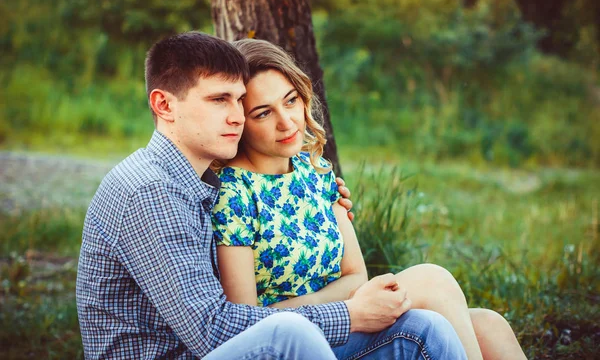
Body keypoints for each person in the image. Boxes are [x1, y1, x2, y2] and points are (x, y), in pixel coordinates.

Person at [76, 31, 468, 359]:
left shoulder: (194, 181)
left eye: (237, 101)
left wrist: (314, 205)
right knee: (289, 336)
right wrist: (349, 315)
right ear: (164, 105)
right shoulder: (151, 192)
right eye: (218, 100)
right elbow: (212, 329)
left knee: (424, 328)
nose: (235, 116)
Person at [211, 38, 527, 360]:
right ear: (240, 123)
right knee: (433, 282)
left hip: (349, 317)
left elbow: (356, 275)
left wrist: (357, 306)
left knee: (489, 325)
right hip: (298, 343)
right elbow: (246, 321)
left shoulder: (314, 170)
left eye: (290, 101)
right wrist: (349, 309)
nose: (286, 121)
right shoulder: (234, 194)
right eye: (263, 113)